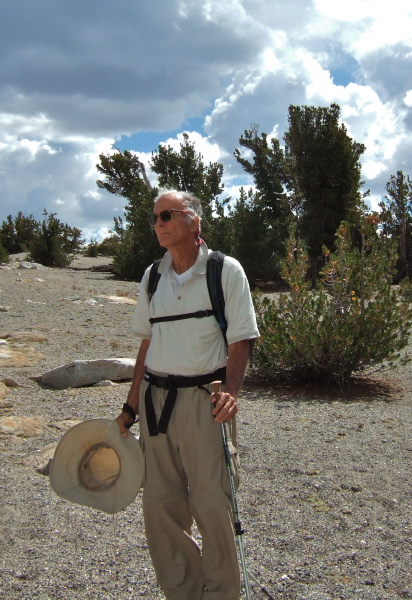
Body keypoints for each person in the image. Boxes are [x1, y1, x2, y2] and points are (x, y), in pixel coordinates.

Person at [116, 189, 259, 600]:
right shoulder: (152, 276)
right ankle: (182, 592)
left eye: (167, 215)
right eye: (155, 218)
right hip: (156, 402)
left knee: (213, 503)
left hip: (205, 401)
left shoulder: (224, 271)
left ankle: (221, 594)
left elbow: (241, 339)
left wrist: (231, 392)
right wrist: (130, 407)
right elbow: (146, 344)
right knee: (160, 505)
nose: (158, 223)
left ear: (193, 221)